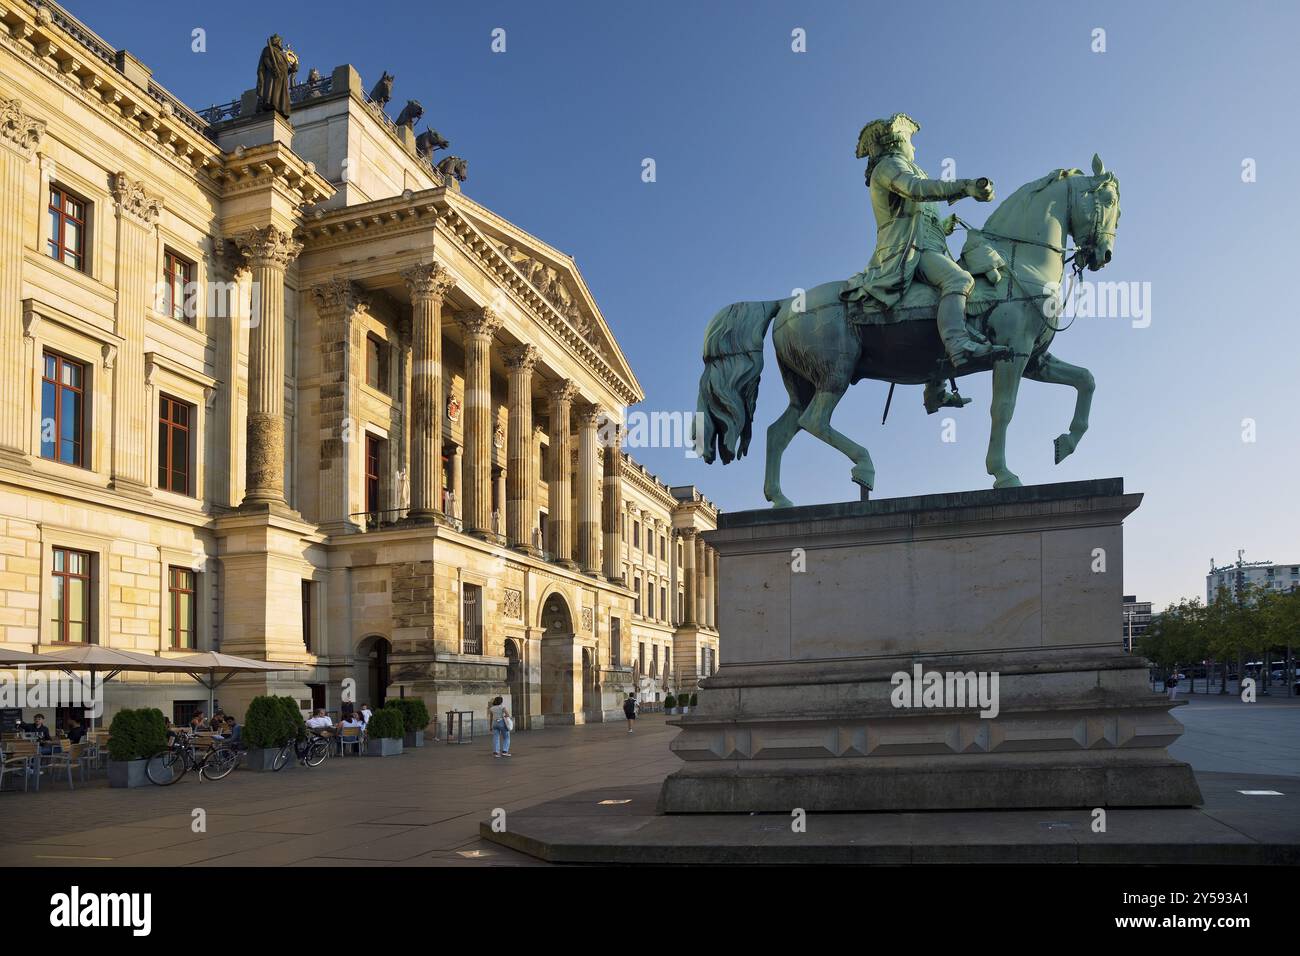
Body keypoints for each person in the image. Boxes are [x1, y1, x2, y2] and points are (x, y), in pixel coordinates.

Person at [841, 113, 1006, 377]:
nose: (914, 147)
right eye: (909, 141)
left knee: (943, 299)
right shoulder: (889, 166)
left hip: (927, 248)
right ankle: (958, 346)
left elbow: (919, 215)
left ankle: (935, 387)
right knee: (959, 280)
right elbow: (916, 189)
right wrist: (965, 186)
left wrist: (942, 226)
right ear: (896, 143)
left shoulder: (904, 166)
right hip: (907, 253)